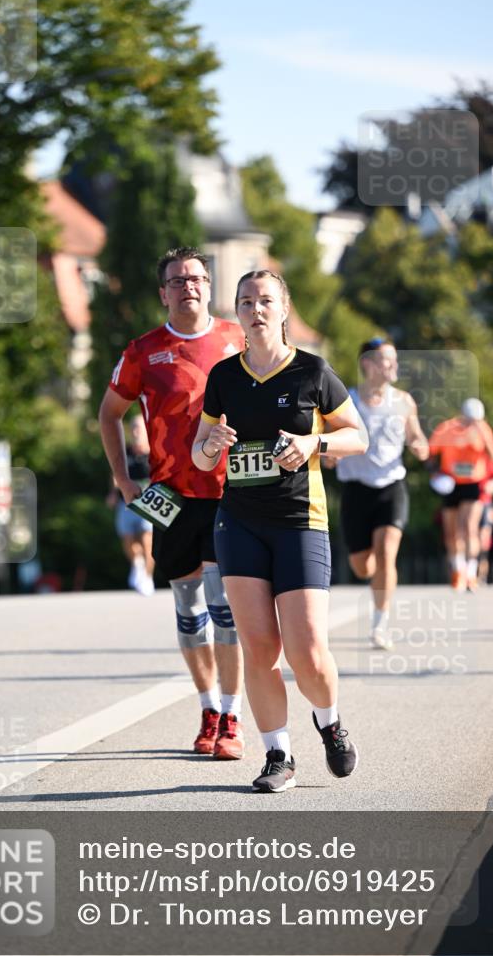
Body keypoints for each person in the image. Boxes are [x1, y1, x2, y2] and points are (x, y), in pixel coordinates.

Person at [192, 269, 366, 793]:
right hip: (239, 522)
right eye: (246, 301)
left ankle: (330, 721)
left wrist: (316, 444)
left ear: (284, 309)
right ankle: (277, 755)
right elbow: (200, 459)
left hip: (299, 522)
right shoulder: (223, 376)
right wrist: (211, 444)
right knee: (258, 647)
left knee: (307, 649)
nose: (256, 309)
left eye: (266, 300)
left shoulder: (312, 372)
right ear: (238, 312)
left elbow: (357, 437)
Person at [99, 247, 246, 760]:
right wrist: (124, 481)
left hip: (231, 494)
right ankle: (208, 708)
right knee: (188, 610)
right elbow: (108, 414)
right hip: (169, 498)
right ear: (163, 292)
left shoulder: (237, 339)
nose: (189, 286)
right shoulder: (143, 352)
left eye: (198, 278)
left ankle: (233, 716)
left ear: (210, 286)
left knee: (223, 607)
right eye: (179, 280)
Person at [334, 338, 429, 649]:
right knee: (363, 566)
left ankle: (379, 624)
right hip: (356, 490)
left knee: (387, 551)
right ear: (368, 364)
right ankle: (372, 572)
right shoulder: (346, 401)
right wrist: (329, 455)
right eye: (387, 360)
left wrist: (420, 447)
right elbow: (331, 445)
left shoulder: (403, 401)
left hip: (392, 486)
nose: (394, 367)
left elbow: (418, 438)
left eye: (394, 360)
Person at [428, 398, 493, 592]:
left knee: (469, 527)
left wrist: (484, 436)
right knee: (452, 531)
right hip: (450, 484)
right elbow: (430, 453)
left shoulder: (483, 429)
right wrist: (435, 473)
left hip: (473, 483)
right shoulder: (446, 429)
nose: (472, 424)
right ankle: (458, 570)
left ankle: (471, 573)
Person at [106, 413, 155, 596]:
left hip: (148, 503)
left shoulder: (152, 452)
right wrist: (112, 493)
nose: (135, 431)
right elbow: (114, 474)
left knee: (146, 541)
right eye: (133, 427)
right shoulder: (125, 452)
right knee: (128, 541)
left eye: (139, 427)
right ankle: (137, 564)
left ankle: (148, 578)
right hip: (125, 502)